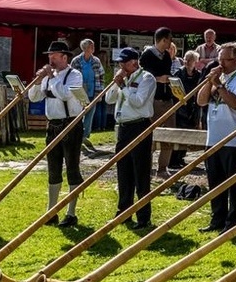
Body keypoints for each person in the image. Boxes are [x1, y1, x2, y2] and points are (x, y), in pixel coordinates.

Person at [196, 42, 236, 232]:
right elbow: (201, 101)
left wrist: (219, 85)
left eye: (225, 59)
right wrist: (208, 81)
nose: (221, 63)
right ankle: (217, 220)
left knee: (233, 183)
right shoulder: (217, 77)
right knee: (215, 181)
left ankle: (234, 221)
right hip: (213, 137)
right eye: (218, 59)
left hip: (234, 139)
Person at [28, 39, 86, 228]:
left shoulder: (74, 74)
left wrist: (52, 78)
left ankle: (71, 213)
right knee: (53, 168)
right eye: (49, 55)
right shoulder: (47, 76)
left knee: (71, 167)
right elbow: (34, 97)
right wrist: (38, 81)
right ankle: (51, 211)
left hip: (71, 124)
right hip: (53, 125)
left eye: (54, 55)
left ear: (64, 57)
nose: (50, 58)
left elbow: (64, 94)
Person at [105, 47, 156, 229]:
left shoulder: (146, 78)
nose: (121, 66)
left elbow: (138, 102)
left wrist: (124, 86)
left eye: (124, 62)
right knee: (123, 170)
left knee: (140, 173)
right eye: (120, 62)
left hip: (139, 125)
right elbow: (108, 100)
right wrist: (115, 83)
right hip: (123, 128)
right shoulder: (122, 79)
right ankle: (123, 211)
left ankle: (143, 217)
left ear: (134, 62)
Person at [142, 27, 177, 177]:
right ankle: (146, 167)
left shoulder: (167, 56)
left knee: (170, 134)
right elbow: (141, 76)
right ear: (163, 39)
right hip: (153, 100)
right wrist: (158, 79)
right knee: (149, 135)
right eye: (169, 39)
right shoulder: (147, 55)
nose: (171, 42)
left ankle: (163, 168)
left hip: (167, 98)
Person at [169, 49, 204, 170]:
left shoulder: (199, 75)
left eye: (190, 60)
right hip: (180, 107)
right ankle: (173, 159)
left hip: (193, 108)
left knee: (188, 133)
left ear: (195, 62)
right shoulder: (178, 73)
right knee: (178, 133)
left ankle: (181, 158)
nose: (187, 62)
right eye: (186, 59)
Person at [71, 38, 106, 154]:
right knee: (79, 115)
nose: (93, 48)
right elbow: (71, 76)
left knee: (89, 115)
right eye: (91, 46)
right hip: (80, 93)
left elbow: (101, 76)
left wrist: (100, 92)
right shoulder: (76, 61)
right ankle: (77, 136)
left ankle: (84, 136)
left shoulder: (96, 61)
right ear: (85, 48)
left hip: (93, 92)